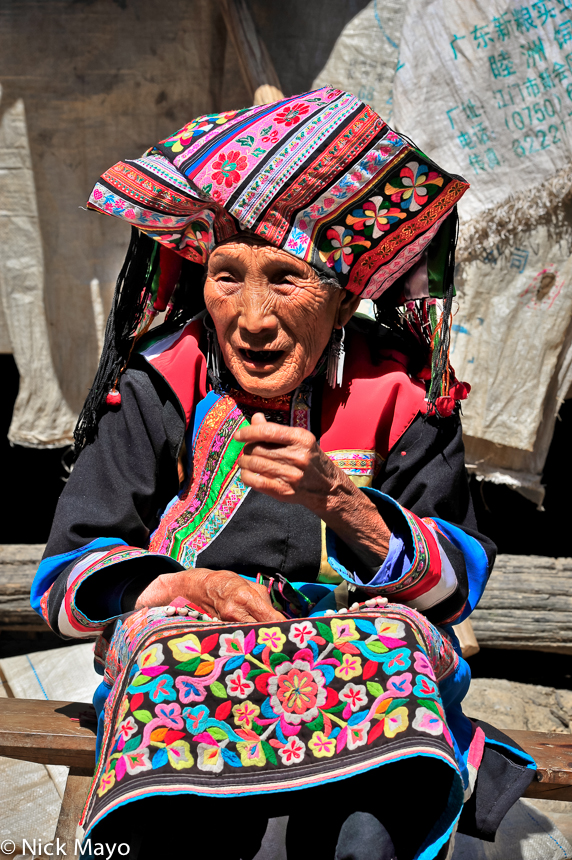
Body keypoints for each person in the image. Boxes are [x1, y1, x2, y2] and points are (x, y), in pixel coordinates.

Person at [31, 88, 534, 860]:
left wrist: (343, 502)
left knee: (368, 833)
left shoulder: (401, 394)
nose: (253, 317)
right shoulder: (161, 384)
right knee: (183, 822)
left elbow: (456, 582)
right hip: (195, 698)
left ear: (343, 304)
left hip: (365, 706)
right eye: (228, 275)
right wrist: (190, 589)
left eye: (287, 278)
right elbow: (66, 580)